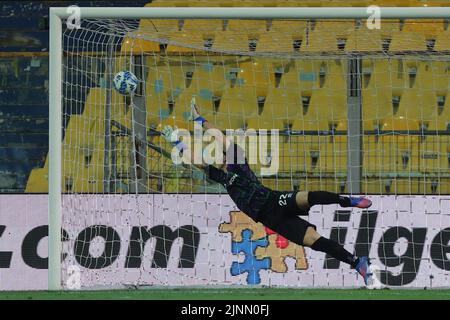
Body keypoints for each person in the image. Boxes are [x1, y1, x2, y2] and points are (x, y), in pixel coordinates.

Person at [162, 98, 374, 286]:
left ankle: (346, 201)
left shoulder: (238, 163)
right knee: (313, 240)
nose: (219, 156)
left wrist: (199, 119)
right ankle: (356, 263)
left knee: (307, 197)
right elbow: (196, 161)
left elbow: (220, 137)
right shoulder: (221, 177)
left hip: (273, 200)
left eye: (222, 154)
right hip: (270, 218)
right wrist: (176, 141)